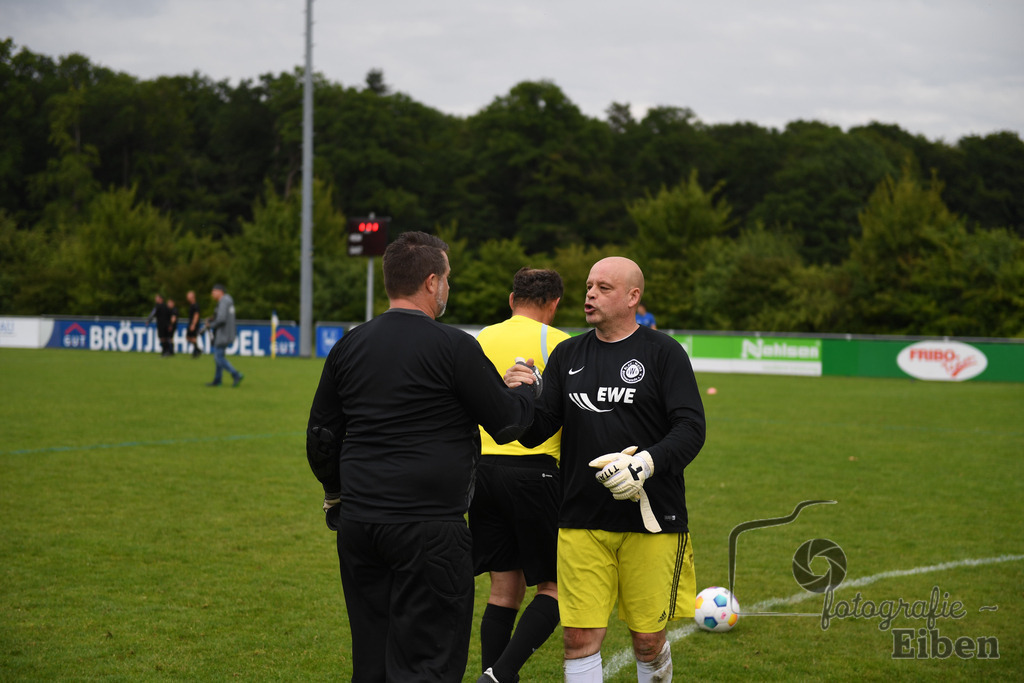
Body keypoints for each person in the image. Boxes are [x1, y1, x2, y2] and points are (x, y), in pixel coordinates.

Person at [304, 231, 541, 682]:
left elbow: (321, 437)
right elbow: (508, 423)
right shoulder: (453, 346)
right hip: (428, 529)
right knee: (428, 663)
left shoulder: (349, 346)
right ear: (432, 282)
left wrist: (335, 495)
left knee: (371, 659)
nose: (448, 287)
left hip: (360, 526)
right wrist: (526, 389)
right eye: (448, 278)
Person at [510, 256, 705, 683]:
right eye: (588, 287)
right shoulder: (568, 354)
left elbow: (691, 428)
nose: (590, 295)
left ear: (633, 297)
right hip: (581, 518)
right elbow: (535, 431)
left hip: (653, 521)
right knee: (578, 638)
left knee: (647, 640)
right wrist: (518, 399)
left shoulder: (664, 353)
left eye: (603, 287)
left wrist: (644, 464)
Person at [470, 267, 571, 683]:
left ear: (512, 300)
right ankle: (502, 673)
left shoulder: (478, 339)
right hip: (536, 472)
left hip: (481, 472)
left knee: (503, 590)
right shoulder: (560, 343)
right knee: (557, 588)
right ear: (554, 304)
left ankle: (489, 676)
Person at [204, 284, 243, 387]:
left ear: (220, 291)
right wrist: (213, 318)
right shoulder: (228, 301)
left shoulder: (223, 301)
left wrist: (211, 325)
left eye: (214, 291)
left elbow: (221, 319)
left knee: (218, 358)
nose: (212, 294)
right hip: (228, 333)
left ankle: (235, 374)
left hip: (223, 334)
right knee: (219, 356)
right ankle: (218, 380)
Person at [185, 290, 202, 358]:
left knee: (193, 337)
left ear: (192, 297)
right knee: (188, 337)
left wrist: (193, 324)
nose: (187, 298)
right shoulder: (191, 305)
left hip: (194, 324)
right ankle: (197, 349)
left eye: (188, 296)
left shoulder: (196, 305)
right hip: (191, 323)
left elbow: (196, 315)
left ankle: (196, 352)